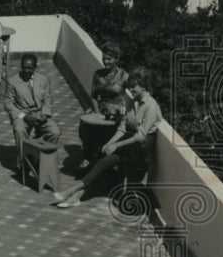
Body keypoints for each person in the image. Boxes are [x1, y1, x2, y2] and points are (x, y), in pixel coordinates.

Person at [55, 66, 162, 209]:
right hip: (129, 145)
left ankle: (74, 192)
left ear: (143, 86)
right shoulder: (132, 102)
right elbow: (123, 127)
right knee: (103, 159)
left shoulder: (151, 106)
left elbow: (140, 136)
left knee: (104, 162)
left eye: (134, 87)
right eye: (129, 87)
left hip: (140, 149)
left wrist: (116, 145)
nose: (131, 90)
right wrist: (110, 143)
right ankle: (76, 195)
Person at [79, 41, 128, 167]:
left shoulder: (124, 76)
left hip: (117, 113)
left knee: (108, 132)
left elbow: (132, 96)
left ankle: (104, 160)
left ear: (116, 59)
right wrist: (97, 112)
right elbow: (94, 97)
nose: (106, 61)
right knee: (85, 126)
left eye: (109, 59)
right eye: (104, 58)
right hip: (101, 111)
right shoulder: (98, 75)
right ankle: (87, 157)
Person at [4, 53, 62, 145]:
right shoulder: (12, 81)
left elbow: (47, 99)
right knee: (19, 131)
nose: (26, 71)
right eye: (24, 67)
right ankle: (23, 157)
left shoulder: (43, 79)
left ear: (35, 67)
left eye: (29, 68)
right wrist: (24, 116)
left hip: (39, 113)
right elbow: (8, 103)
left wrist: (45, 114)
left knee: (55, 132)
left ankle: (41, 153)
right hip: (23, 113)